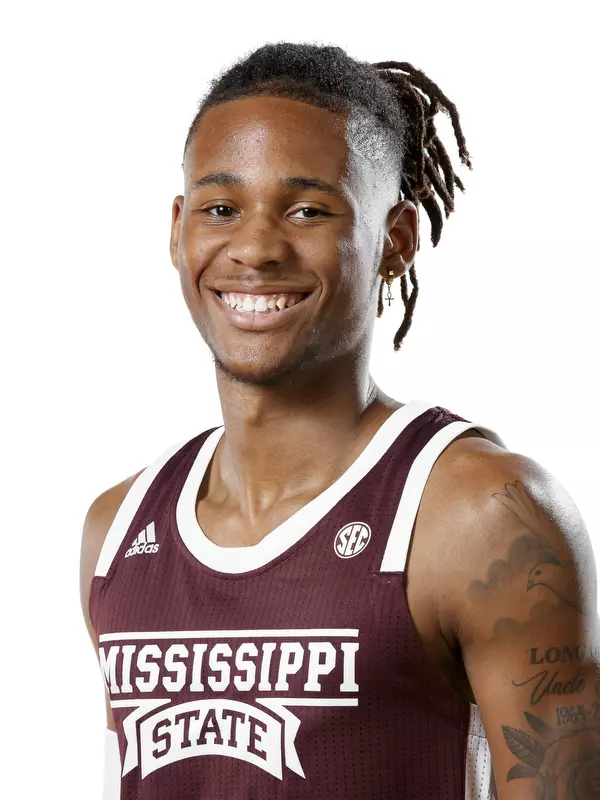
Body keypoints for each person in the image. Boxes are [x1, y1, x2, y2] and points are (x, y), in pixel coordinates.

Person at [79, 42, 600, 800]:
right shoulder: (117, 531)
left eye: (307, 209)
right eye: (222, 209)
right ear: (178, 229)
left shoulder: (481, 516)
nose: (254, 248)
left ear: (395, 239)